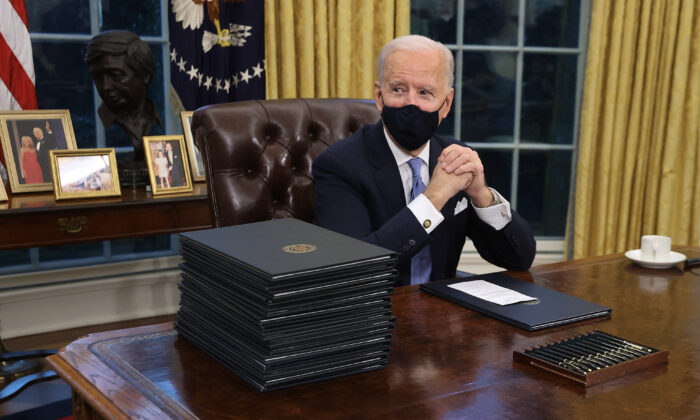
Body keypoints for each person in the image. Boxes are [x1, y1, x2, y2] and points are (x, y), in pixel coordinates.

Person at [312, 35, 536, 286]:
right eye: (398, 89)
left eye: (425, 92)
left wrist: (482, 196)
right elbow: (353, 271)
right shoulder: (339, 166)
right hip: (374, 315)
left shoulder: (456, 157)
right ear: (379, 95)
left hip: (442, 310)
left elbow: (520, 258)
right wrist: (434, 198)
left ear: (446, 103)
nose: (411, 103)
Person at [85, 30, 162, 161]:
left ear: (145, 74)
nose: (105, 86)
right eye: (98, 77)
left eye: (116, 75)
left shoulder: (164, 120)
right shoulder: (89, 131)